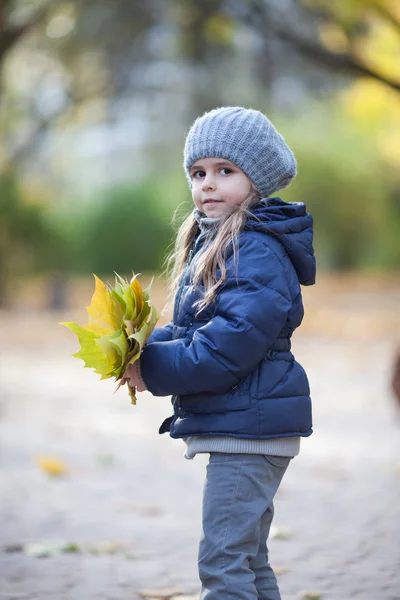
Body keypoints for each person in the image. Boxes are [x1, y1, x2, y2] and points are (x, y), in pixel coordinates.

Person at [123, 106, 316, 599]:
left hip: (250, 434)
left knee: (223, 564)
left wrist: (150, 368)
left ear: (258, 179)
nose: (208, 184)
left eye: (225, 171)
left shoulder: (255, 250)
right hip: (250, 428)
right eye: (198, 172)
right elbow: (196, 327)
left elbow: (225, 349)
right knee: (247, 560)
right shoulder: (224, 244)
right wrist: (140, 346)